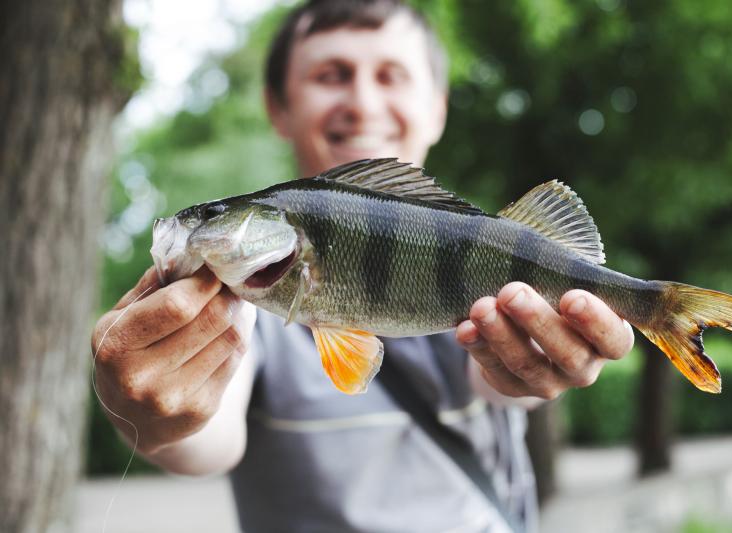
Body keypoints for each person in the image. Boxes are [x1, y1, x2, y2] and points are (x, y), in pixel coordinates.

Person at [91, 1, 634, 531]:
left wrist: (531, 365)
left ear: (437, 108)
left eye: (392, 75)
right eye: (332, 74)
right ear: (278, 107)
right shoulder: (243, 312)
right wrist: (155, 417)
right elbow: (207, 442)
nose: (364, 102)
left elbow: (493, 378)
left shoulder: (484, 251)